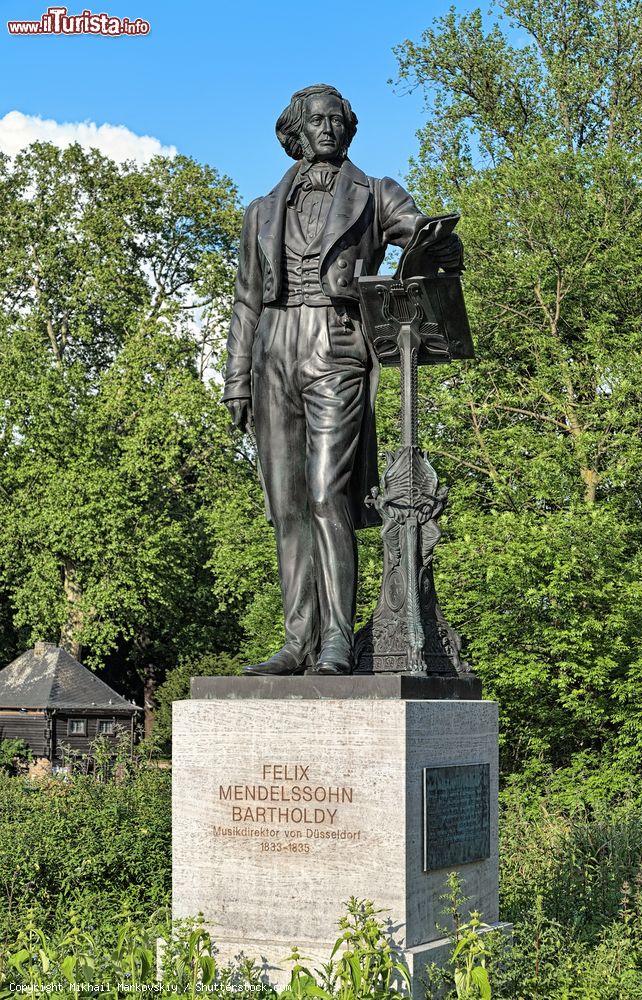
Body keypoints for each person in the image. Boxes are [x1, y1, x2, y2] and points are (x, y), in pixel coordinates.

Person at [224, 84, 462, 676]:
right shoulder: (261, 209)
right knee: (287, 505)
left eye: (338, 120)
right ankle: (296, 642)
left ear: (348, 129)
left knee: (329, 493)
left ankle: (336, 640)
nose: (329, 129)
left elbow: (426, 236)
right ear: (296, 132)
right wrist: (236, 380)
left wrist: (434, 244)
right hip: (272, 348)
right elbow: (246, 302)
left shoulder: (375, 192)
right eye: (317, 121)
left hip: (337, 345)